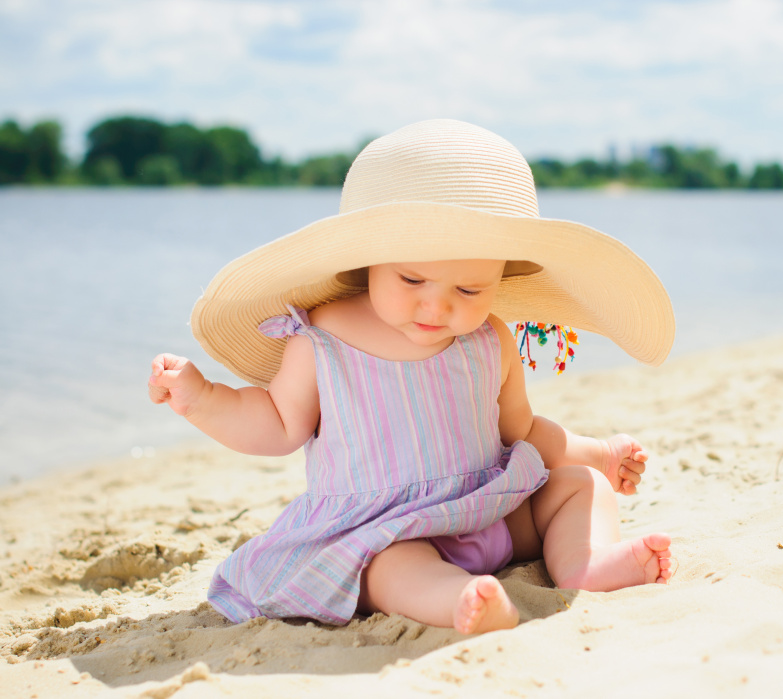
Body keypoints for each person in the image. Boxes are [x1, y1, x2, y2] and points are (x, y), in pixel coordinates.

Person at [148, 119, 676, 634]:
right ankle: (459, 600)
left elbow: (522, 431)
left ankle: (588, 564)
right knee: (389, 570)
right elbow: (275, 424)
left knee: (579, 486)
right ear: (368, 260)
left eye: (469, 290)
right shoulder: (323, 340)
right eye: (411, 278)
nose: (437, 305)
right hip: (384, 530)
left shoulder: (489, 339)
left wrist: (599, 455)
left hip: (490, 510)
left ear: (499, 278)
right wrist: (202, 397)